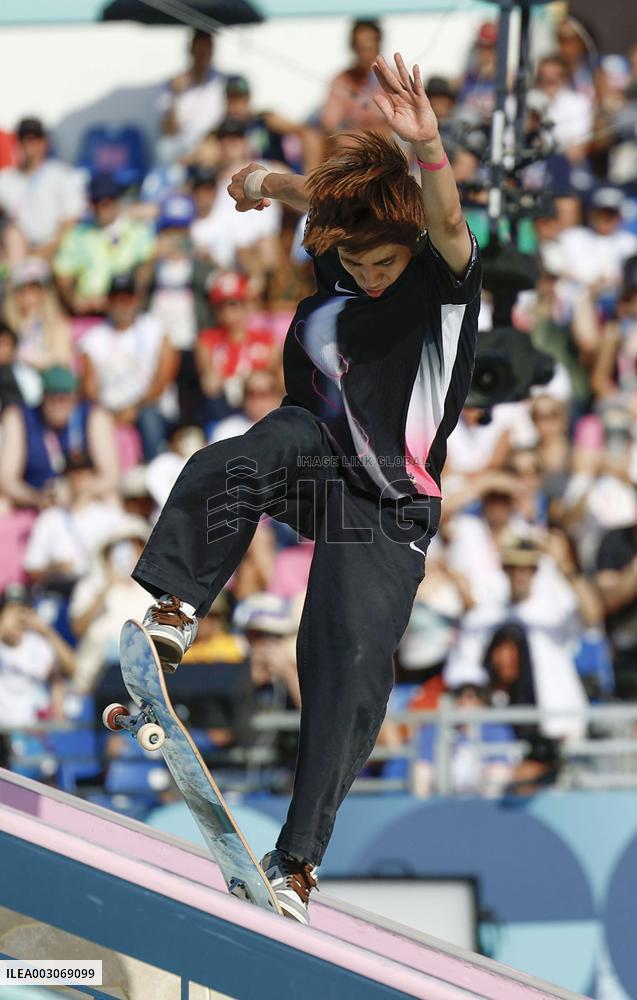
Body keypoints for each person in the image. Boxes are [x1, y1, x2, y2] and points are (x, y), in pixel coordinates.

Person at [132, 53, 480, 923]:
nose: (370, 276)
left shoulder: (439, 283)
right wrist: (264, 182)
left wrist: (427, 146)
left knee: (349, 661)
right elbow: (320, 206)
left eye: (382, 263)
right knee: (241, 454)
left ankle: (296, 861)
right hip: (315, 462)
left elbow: (443, 217)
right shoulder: (339, 255)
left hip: (388, 508)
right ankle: (177, 608)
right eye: (356, 263)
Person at [79, 273, 179, 460]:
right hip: (110, 410)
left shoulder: (156, 329)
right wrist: (110, 413)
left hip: (149, 406)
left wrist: (133, 410)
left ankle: (155, 464)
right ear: (108, 302)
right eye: (117, 299)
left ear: (137, 300)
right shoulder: (93, 339)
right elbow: (90, 388)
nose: (122, 305)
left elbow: (162, 381)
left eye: (128, 298)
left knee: (148, 416)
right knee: (93, 417)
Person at [0, 365, 119, 509]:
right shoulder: (20, 416)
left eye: (64, 398)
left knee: (111, 498)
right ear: (43, 396)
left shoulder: (92, 415)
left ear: (74, 397)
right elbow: (6, 478)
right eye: (52, 397)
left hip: (82, 497)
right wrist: (36, 498)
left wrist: (78, 493)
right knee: (2, 503)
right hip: (37, 496)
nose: (57, 405)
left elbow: (111, 475)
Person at [54, 174, 156, 316]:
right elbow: (63, 273)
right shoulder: (78, 234)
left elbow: (146, 267)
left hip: (126, 309)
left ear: (117, 201)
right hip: (89, 312)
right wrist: (74, 300)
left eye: (107, 202)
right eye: (96, 201)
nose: (101, 208)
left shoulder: (138, 231)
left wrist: (127, 298)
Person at [0, 117, 85, 258]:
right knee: (12, 234)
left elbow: (71, 221)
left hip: (56, 251)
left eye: (34, 139)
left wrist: (46, 252)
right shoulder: (6, 178)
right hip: (19, 251)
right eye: (23, 139)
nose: (29, 144)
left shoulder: (63, 175)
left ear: (45, 142)